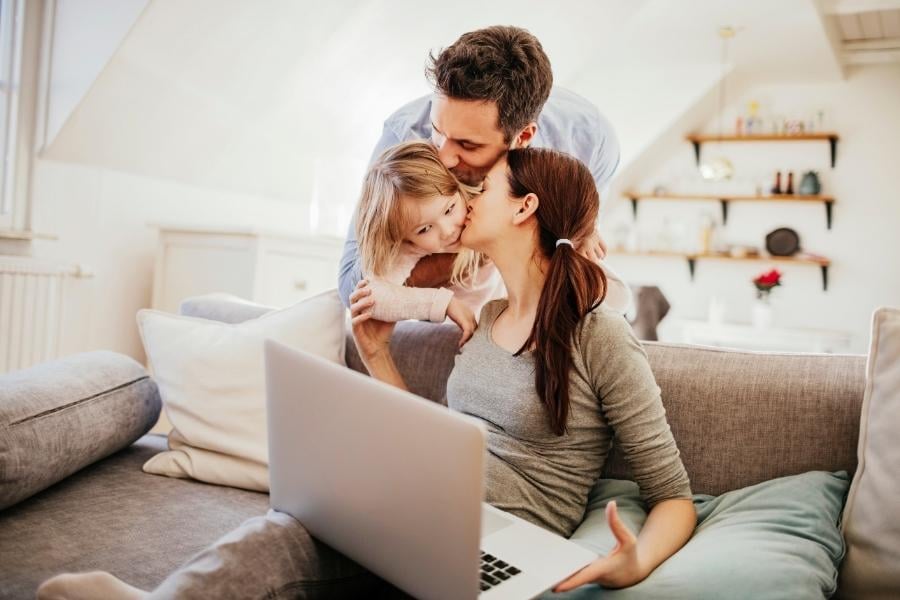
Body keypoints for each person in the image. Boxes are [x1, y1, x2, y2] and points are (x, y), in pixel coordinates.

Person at [37, 148, 695, 600]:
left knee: (296, 542)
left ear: (525, 208)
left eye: (486, 186)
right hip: (427, 505)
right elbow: (438, 439)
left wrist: (639, 558)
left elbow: (673, 493)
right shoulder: (486, 316)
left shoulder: (599, 335)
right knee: (296, 525)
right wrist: (376, 353)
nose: (465, 198)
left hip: (494, 536)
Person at [338, 25, 631, 313]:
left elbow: (573, 241)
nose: (443, 158)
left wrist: (583, 226)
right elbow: (352, 285)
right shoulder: (403, 139)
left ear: (523, 137)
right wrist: (487, 249)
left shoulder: (589, 142)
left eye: (467, 145)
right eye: (437, 131)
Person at [354, 140, 503, 347]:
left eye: (449, 209)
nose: (447, 230)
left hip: (505, 325)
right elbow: (370, 297)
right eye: (424, 229)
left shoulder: (484, 204)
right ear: (405, 238)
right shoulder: (409, 247)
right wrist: (444, 303)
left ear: (459, 189)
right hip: (457, 338)